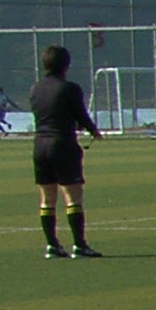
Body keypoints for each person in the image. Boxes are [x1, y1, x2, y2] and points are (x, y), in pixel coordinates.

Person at [27, 46, 103, 257]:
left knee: (47, 198)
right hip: (63, 144)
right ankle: (79, 245)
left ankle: (52, 245)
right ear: (66, 65)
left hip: (40, 145)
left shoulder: (35, 89)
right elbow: (80, 114)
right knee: (73, 196)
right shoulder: (70, 88)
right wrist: (93, 130)